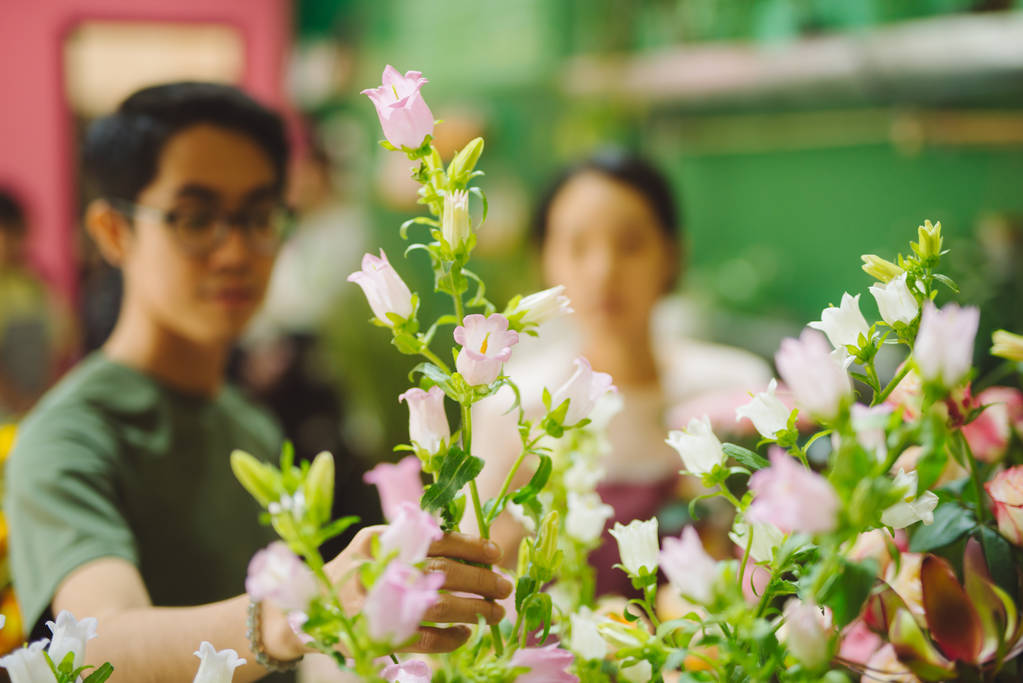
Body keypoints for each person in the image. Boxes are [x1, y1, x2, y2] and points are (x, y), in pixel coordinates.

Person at [4, 82, 510, 681]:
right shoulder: (65, 439)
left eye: (260, 215)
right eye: (195, 219)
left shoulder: (250, 423)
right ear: (115, 231)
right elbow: (98, 642)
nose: (237, 251)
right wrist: (297, 614)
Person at [472, 150, 771, 596]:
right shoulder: (514, 406)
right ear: (545, 260)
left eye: (630, 244)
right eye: (576, 247)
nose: (603, 271)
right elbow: (481, 570)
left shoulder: (732, 388)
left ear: (672, 255)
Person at [0, 191, 72, 419]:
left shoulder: (34, 282)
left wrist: (42, 399)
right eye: (7, 235)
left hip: (32, 411)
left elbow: (63, 342)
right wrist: (16, 400)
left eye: (17, 233)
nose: (14, 244)